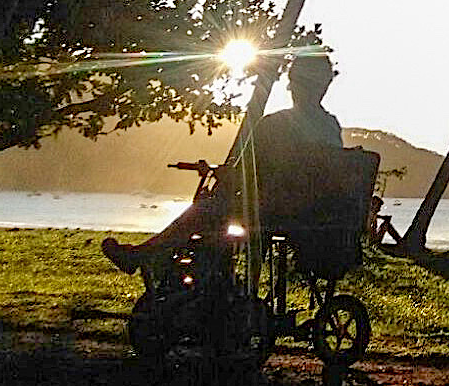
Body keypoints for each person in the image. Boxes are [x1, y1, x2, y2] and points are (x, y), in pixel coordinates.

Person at [102, 53, 344, 273]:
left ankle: (143, 256)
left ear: (293, 83)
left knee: (205, 210)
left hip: (270, 212)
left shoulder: (275, 124)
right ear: (325, 85)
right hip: (312, 217)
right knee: (218, 208)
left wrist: (222, 174)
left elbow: (245, 170)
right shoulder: (331, 127)